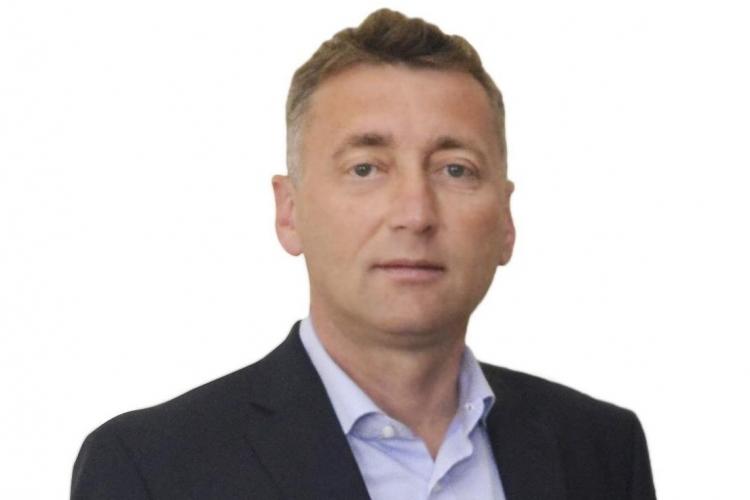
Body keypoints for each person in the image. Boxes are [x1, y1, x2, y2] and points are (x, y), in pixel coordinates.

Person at [71, 8, 657, 500]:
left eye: (455, 169)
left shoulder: (602, 450)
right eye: (366, 168)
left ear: (505, 221)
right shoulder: (151, 468)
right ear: (290, 212)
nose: (415, 213)